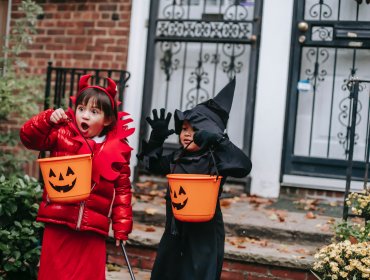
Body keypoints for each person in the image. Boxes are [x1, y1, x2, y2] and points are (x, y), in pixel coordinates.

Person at [20, 74, 135, 280]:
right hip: (59, 222)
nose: (85, 115)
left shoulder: (117, 150)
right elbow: (29, 138)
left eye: (94, 111)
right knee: (53, 275)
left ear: (108, 120)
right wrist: (47, 119)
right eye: (81, 109)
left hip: (93, 230)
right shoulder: (62, 135)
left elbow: (123, 190)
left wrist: (122, 225)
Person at [137, 78, 252, 280]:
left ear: (209, 133)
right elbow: (151, 165)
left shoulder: (216, 159)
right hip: (174, 231)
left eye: (194, 129)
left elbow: (243, 167)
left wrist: (219, 141)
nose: (187, 134)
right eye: (184, 128)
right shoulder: (176, 158)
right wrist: (157, 139)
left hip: (204, 235)